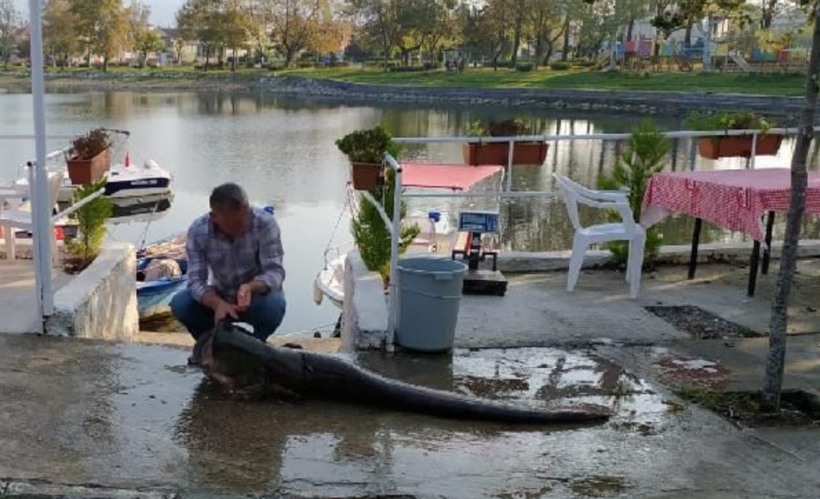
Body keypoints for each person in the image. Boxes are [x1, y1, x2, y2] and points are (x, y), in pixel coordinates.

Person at [171, 183, 286, 360]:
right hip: (219, 293)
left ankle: (255, 349)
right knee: (180, 304)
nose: (245, 224)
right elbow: (195, 281)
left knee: (274, 305)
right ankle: (209, 347)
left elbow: (275, 272)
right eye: (237, 222)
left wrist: (250, 287)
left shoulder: (265, 223)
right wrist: (217, 304)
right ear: (215, 217)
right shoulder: (198, 230)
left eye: (246, 217)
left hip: (255, 296)